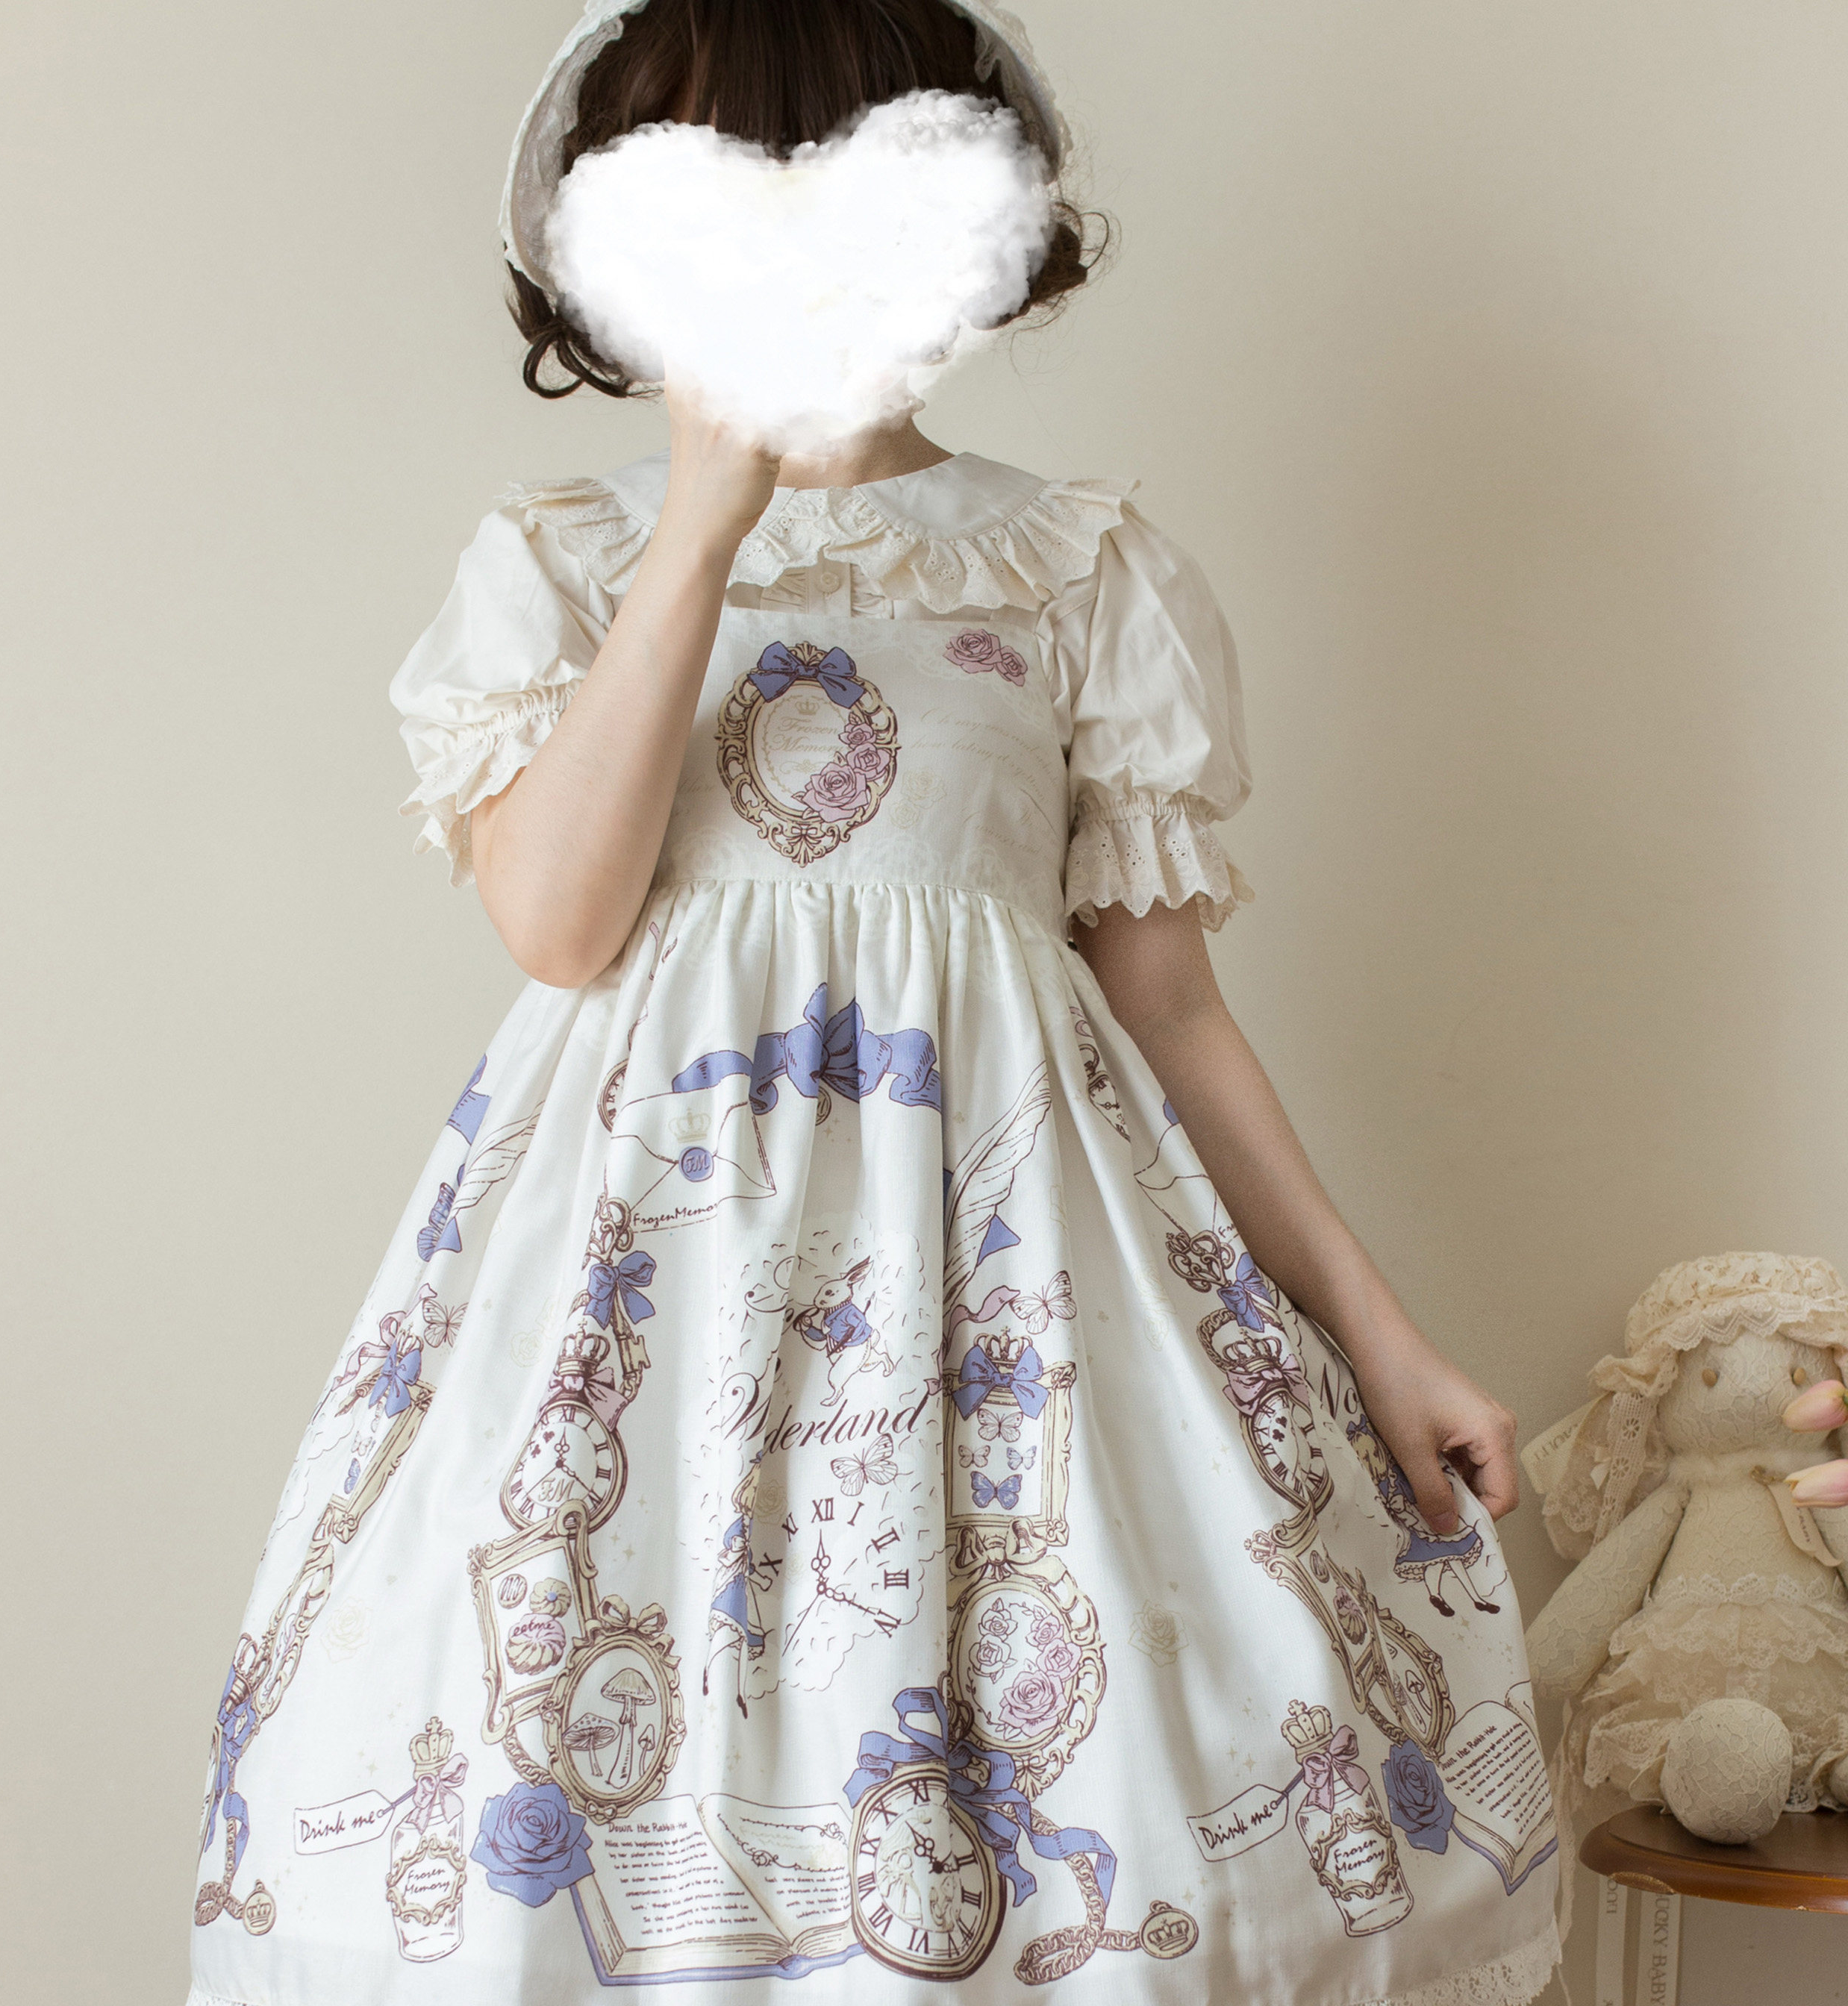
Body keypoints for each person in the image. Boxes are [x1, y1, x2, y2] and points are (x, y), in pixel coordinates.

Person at [187, 4, 1562, 2002]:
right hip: (647, 1302)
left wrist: (1382, 1333)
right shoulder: (561, 563)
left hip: (1010, 1302)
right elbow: (559, 925)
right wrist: (702, 528)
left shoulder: (1075, 570)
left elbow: (1173, 1012)